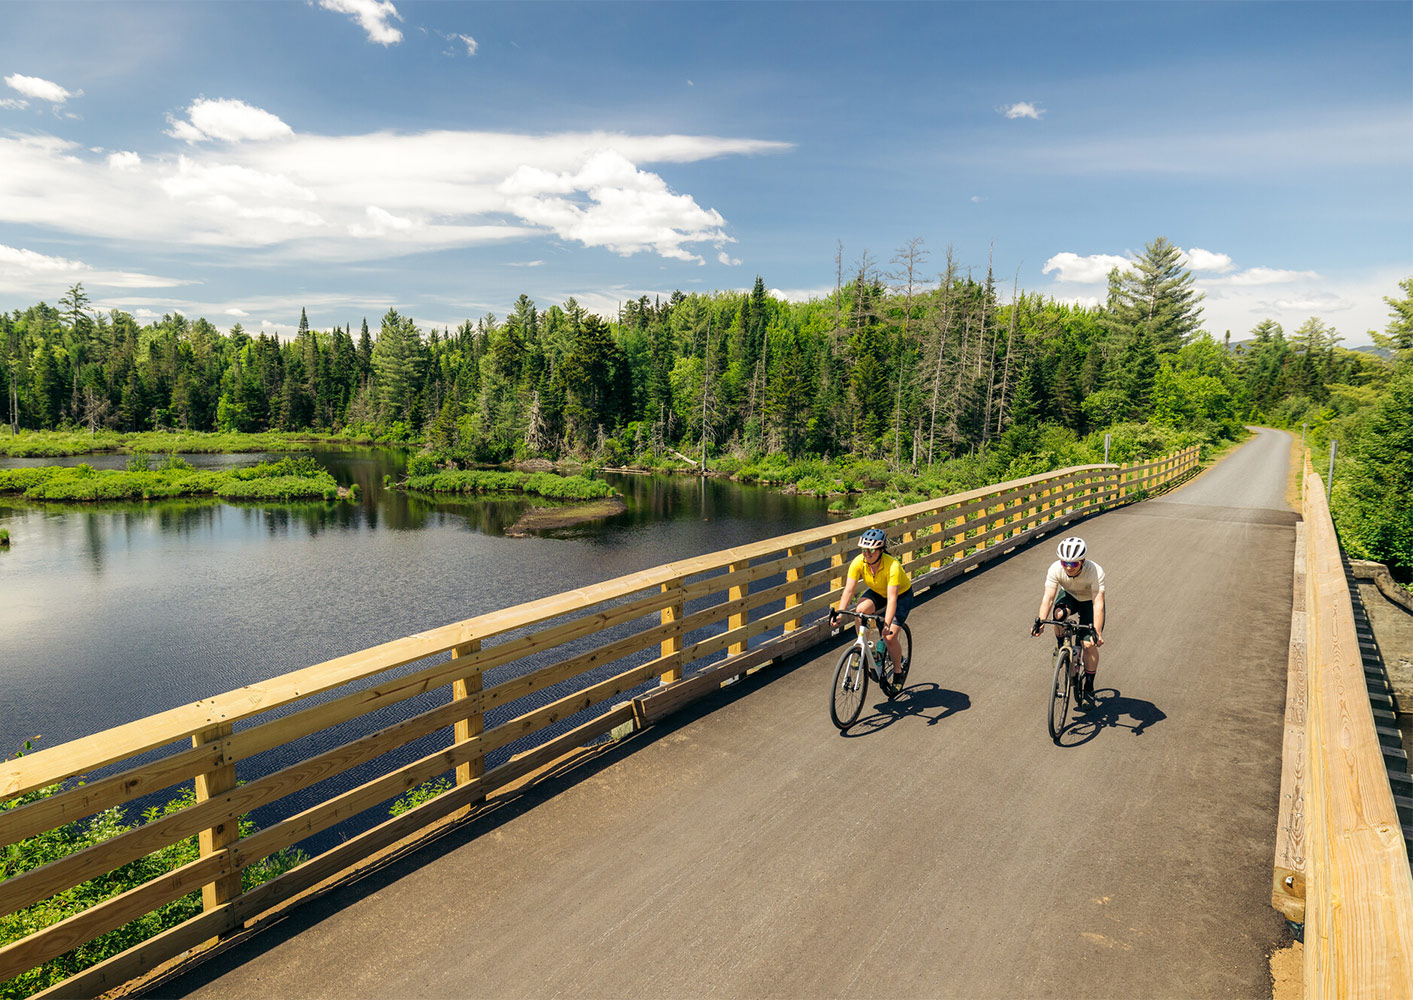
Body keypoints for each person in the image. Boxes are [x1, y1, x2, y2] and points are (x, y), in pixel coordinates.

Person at [831, 527, 913, 688]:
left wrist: (887, 624)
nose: (867, 553)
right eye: (864, 549)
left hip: (900, 596)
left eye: (871, 550)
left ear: (881, 550)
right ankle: (863, 647)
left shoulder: (892, 566)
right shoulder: (858, 562)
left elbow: (891, 599)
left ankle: (898, 672)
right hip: (877, 591)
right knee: (860, 611)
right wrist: (840, 613)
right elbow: (849, 590)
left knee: (889, 637)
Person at [1031, 536, 1106, 707]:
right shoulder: (1055, 569)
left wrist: (1097, 632)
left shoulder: (1095, 571)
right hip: (1070, 597)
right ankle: (1060, 646)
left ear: (1083, 561)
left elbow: (1098, 603)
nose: (1068, 567)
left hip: (1089, 602)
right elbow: (1048, 598)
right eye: (1065, 563)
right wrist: (1040, 621)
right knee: (1058, 615)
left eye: (1073, 564)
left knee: (1088, 644)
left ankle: (1089, 687)